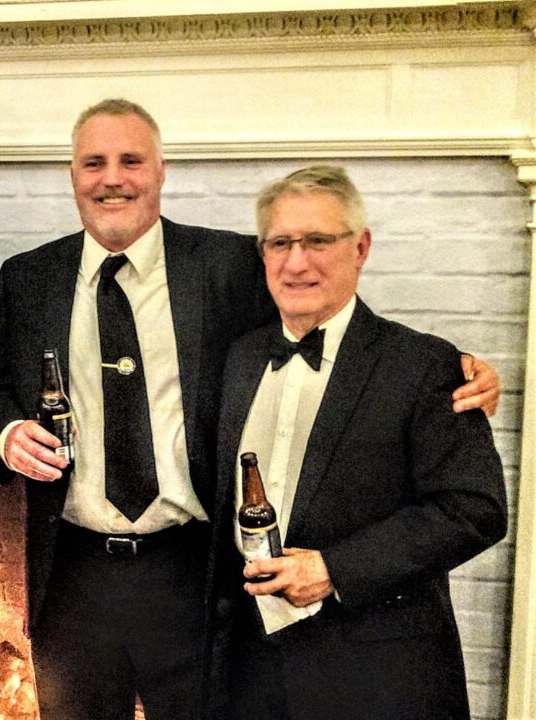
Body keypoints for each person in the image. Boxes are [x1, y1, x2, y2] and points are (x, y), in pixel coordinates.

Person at [0, 99, 501, 720]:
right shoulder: (28, 276)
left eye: (131, 160)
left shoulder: (228, 266)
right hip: (72, 575)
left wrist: (455, 367)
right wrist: (6, 430)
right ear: (72, 175)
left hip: (195, 575)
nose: (112, 178)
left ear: (161, 171)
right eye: (94, 162)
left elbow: (324, 321)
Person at [208, 165, 507, 720]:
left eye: (318, 240)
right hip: (249, 674)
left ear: (361, 247)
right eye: (280, 243)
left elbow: (476, 509)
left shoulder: (426, 364)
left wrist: (333, 569)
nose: (297, 262)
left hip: (379, 676)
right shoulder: (240, 357)